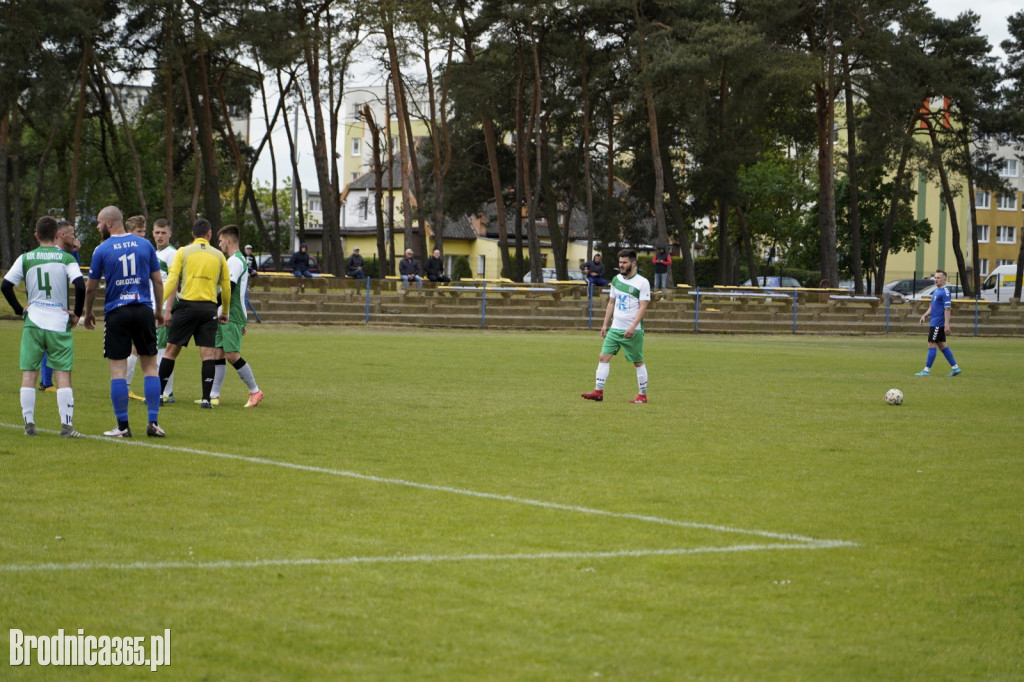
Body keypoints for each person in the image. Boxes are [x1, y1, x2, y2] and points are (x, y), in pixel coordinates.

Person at [82, 206, 166, 437]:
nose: (98, 226)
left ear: (109, 223)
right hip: (142, 309)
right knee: (150, 367)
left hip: (117, 312)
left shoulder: (102, 249)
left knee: (118, 370)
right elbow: (158, 282)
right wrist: (158, 310)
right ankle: (153, 423)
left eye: (99, 222)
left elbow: (90, 287)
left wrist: (88, 312)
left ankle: (122, 426)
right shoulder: (145, 245)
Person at [2, 216, 86, 437]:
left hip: (34, 321)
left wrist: (20, 310)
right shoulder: (66, 258)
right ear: (57, 234)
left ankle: (29, 424)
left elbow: (5, 286)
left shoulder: (26, 258)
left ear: (37, 236)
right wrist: (76, 314)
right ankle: (67, 426)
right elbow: (79, 284)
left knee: (29, 373)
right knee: (63, 374)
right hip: (59, 322)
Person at [158, 218, 231, 409]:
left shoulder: (183, 251)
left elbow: (172, 280)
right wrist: (226, 311)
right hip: (209, 309)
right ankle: (206, 399)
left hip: (186, 307)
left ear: (193, 234)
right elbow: (226, 287)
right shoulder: (218, 255)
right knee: (207, 354)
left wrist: (160, 307)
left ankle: (158, 395)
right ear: (209, 234)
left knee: (171, 351)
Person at [200, 225, 265, 408]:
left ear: (228, 241)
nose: (219, 244)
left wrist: (212, 307)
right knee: (218, 353)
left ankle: (255, 391)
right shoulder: (231, 261)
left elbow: (231, 288)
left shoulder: (236, 261)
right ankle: (214, 395)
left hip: (231, 313)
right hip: (224, 314)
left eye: (220, 241)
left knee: (231, 355)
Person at [581, 248, 651, 404]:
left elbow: (643, 307)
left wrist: (633, 326)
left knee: (637, 361)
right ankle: (598, 391)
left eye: (625, 262)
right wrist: (605, 324)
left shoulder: (642, 282)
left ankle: (642, 395)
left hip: (632, 330)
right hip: (615, 328)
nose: (621, 265)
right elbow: (611, 303)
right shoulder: (616, 280)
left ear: (633, 263)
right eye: (620, 262)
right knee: (603, 357)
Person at [38, 219, 80, 393]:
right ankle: (46, 383)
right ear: (62, 235)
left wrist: (76, 252)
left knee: (48, 346)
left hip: (46, 306)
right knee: (52, 346)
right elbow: (77, 281)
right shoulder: (59, 256)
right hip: (52, 305)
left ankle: (45, 382)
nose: (74, 237)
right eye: (72, 234)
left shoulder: (60, 255)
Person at [915, 269, 962, 377]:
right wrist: (924, 315)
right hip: (934, 322)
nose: (935, 280)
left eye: (938, 278)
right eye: (935, 277)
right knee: (942, 345)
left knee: (931, 344)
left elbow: (947, 309)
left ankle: (926, 371)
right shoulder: (936, 291)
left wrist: (946, 324)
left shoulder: (945, 292)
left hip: (938, 324)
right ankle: (955, 368)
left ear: (944, 280)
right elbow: (932, 307)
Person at [152, 218, 178, 403]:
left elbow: (174, 281)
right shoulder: (154, 252)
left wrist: (168, 309)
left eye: (163, 232)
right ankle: (164, 390)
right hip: (153, 306)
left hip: (164, 307)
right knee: (158, 349)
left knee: (163, 349)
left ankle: (166, 392)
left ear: (170, 234)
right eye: (157, 232)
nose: (160, 236)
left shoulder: (172, 254)